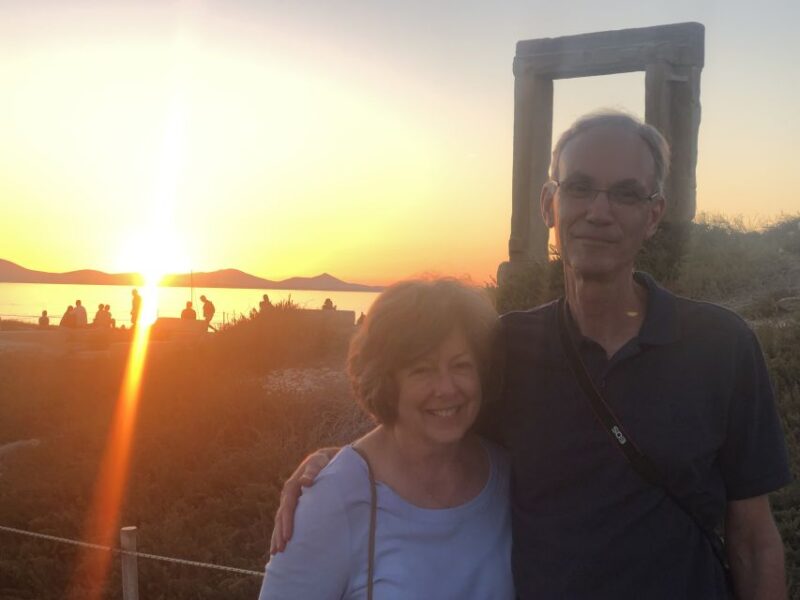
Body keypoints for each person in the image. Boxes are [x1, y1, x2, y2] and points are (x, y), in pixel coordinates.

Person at [271, 112, 791, 599]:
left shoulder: (721, 346)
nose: (599, 211)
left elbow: (753, 537)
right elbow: (433, 424)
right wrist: (334, 470)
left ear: (653, 214)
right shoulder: (506, 347)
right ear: (549, 204)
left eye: (626, 194)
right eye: (580, 187)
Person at [258, 279, 513, 599]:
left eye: (461, 365)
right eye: (422, 370)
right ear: (386, 381)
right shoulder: (334, 497)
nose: (447, 388)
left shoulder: (507, 478)